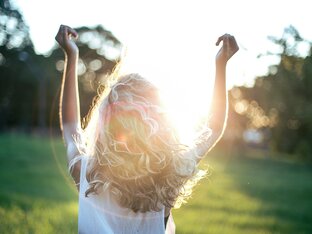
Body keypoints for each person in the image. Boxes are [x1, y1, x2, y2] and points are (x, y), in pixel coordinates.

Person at [55, 24, 239, 234]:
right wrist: (221, 64)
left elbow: (71, 127)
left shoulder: (87, 172)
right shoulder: (170, 175)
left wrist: (72, 55)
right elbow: (213, 127)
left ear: (106, 125)